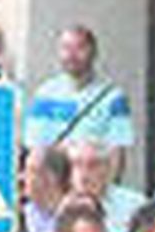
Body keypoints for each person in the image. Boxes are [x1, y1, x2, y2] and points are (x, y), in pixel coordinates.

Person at [23, 24, 134, 175]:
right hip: (55, 183)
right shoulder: (45, 95)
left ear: (94, 52)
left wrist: (108, 192)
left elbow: (117, 153)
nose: (72, 55)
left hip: (94, 182)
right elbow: (35, 149)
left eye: (80, 48)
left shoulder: (113, 97)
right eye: (66, 48)